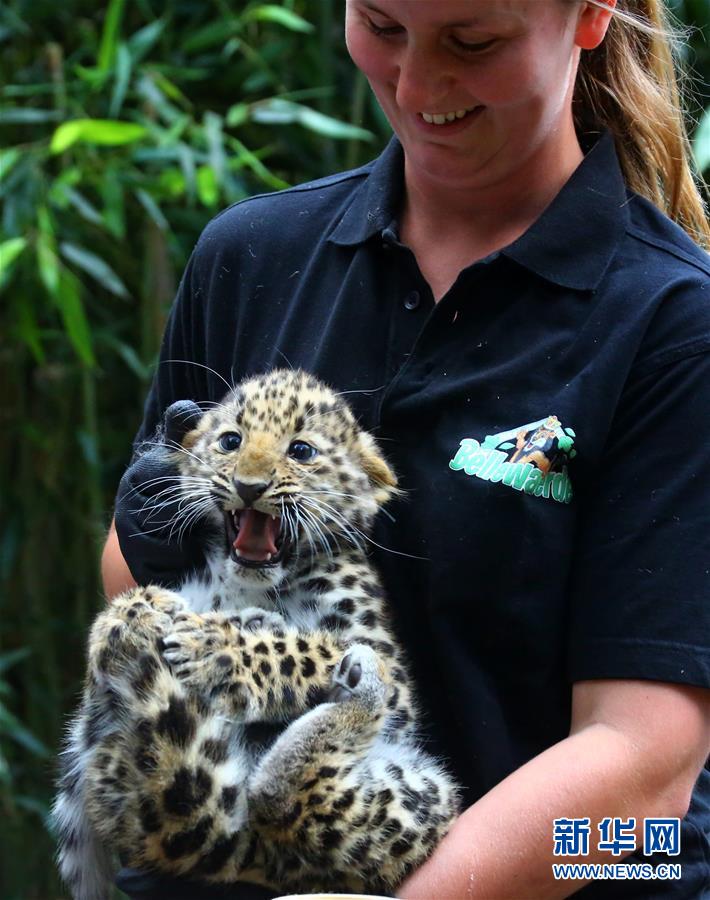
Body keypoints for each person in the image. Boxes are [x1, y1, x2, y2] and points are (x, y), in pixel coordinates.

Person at [102, 1, 710, 897]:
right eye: (381, 25)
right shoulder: (251, 255)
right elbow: (132, 585)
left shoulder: (675, 326)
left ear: (587, 16)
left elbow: (648, 778)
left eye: (474, 42)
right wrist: (162, 529)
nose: (419, 85)